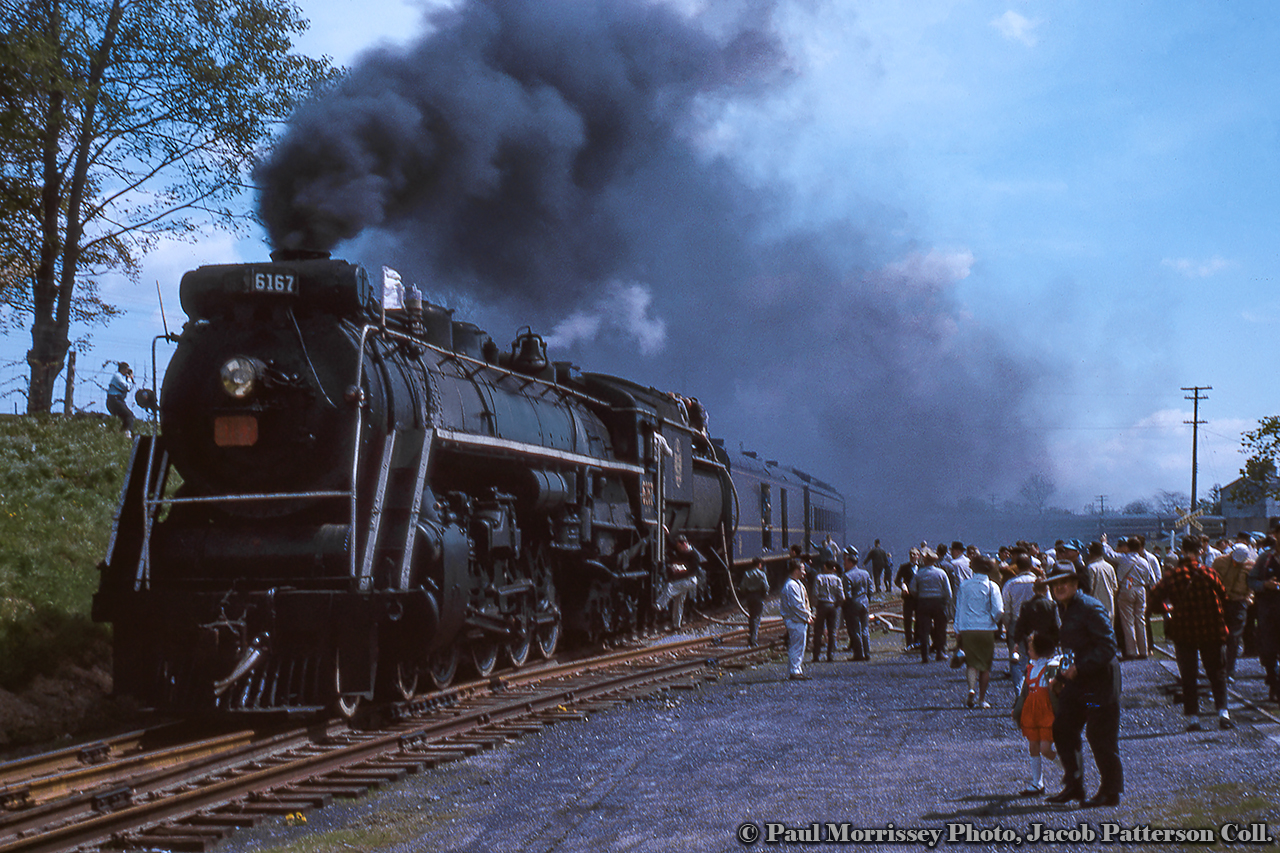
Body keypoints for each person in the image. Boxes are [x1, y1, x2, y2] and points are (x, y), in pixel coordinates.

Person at [1046, 563, 1123, 807]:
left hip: (1098, 683)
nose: (1059, 587)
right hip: (1079, 684)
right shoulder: (1065, 608)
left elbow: (1108, 647)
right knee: (1064, 727)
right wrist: (1060, 677)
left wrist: (1079, 668)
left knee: (1099, 735)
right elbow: (1072, 648)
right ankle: (1074, 785)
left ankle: (1110, 792)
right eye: (1054, 584)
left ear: (1076, 583)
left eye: (1064, 582)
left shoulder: (1090, 608)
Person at [1150, 538, 1232, 731]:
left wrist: (1167, 609)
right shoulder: (1209, 573)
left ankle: (1193, 719)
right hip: (1211, 629)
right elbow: (1224, 596)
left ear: (1182, 551)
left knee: (1188, 675)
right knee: (1217, 673)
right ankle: (1223, 713)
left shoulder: (1172, 576)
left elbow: (1153, 601)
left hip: (1184, 631)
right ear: (1200, 551)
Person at [1013, 632, 1060, 797]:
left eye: (1031, 649)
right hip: (1032, 711)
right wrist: (1017, 708)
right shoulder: (1031, 668)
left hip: (1046, 711)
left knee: (1045, 749)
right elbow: (1025, 692)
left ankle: (1069, 769)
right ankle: (1037, 783)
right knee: (1033, 745)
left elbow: (1058, 690)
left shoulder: (1051, 667)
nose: (1028, 652)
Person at [954, 556, 1004, 709]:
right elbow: (999, 610)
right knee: (985, 666)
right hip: (986, 629)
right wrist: (993, 621)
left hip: (968, 628)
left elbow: (960, 609)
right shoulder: (992, 586)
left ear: (972, 568)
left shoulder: (964, 585)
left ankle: (971, 688)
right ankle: (982, 699)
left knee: (971, 663)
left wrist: (958, 629)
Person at [1211, 541, 1254, 683]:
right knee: (1218, 637)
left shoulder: (1250, 566)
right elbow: (1212, 580)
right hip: (1222, 602)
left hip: (1239, 603)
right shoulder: (1219, 562)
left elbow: (1252, 584)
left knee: (1234, 638)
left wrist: (1249, 597)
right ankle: (1218, 668)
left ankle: (1229, 671)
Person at [911, 551, 952, 663]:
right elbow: (948, 592)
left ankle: (925, 655)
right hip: (938, 602)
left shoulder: (918, 574)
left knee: (924, 630)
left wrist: (920, 596)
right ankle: (940, 652)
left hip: (923, 602)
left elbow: (913, 589)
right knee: (940, 629)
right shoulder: (941, 573)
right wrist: (946, 602)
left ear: (924, 560)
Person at [780, 560, 814, 680]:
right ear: (796, 570)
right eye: (802, 569)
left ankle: (796, 669)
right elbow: (797, 606)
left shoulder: (797, 584)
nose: (804, 572)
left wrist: (808, 614)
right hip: (795, 620)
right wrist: (807, 616)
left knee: (799, 645)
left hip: (799, 620)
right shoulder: (791, 586)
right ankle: (794, 670)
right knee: (796, 646)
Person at [659, 535, 700, 629]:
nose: (678, 549)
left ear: (684, 544)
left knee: (670, 587)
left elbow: (692, 570)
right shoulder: (681, 549)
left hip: (690, 580)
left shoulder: (694, 555)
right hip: (683, 580)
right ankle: (676, 625)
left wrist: (680, 569)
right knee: (679, 601)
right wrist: (667, 534)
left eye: (679, 547)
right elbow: (672, 545)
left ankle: (659, 605)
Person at [841, 553, 872, 660]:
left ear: (850, 563)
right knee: (865, 629)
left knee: (856, 630)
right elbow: (870, 590)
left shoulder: (847, 576)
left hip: (854, 604)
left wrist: (846, 605)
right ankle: (867, 653)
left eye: (845, 562)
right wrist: (868, 600)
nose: (844, 564)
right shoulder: (865, 573)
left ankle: (859, 654)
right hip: (865, 602)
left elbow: (847, 594)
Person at [811, 561, 844, 663]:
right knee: (832, 631)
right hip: (833, 606)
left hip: (822, 605)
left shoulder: (819, 578)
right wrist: (837, 604)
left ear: (825, 566)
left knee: (818, 631)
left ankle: (816, 656)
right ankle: (831, 655)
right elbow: (842, 596)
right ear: (834, 569)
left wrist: (815, 605)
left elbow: (815, 594)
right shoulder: (838, 579)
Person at [739, 557, 770, 647]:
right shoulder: (762, 574)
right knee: (757, 618)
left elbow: (742, 586)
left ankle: (751, 635)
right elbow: (766, 586)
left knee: (751, 617)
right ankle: (753, 639)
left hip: (749, 596)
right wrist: (765, 595)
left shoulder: (746, 573)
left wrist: (745, 594)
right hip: (758, 596)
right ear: (759, 565)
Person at [895, 549, 921, 650]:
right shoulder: (904, 567)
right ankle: (909, 642)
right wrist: (902, 586)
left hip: (919, 597)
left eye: (914, 554)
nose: (912, 556)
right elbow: (897, 580)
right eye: (911, 554)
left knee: (919, 620)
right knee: (907, 620)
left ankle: (918, 641)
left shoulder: (922, 567)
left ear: (918, 556)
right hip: (908, 597)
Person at [107, 362, 136, 436]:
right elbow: (127, 387)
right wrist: (129, 379)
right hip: (115, 400)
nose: (127, 372)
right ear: (123, 369)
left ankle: (121, 433)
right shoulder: (117, 376)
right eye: (127, 370)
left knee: (125, 417)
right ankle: (127, 433)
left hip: (118, 399)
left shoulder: (122, 377)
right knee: (129, 415)